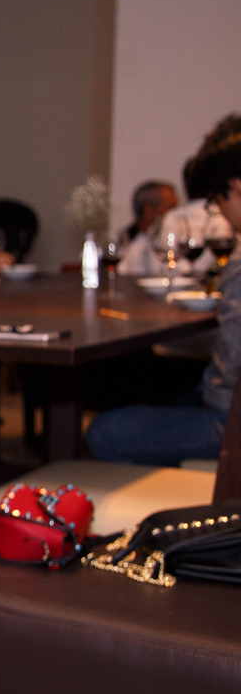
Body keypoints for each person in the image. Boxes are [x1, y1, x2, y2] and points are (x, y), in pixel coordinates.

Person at [87, 114, 241, 466]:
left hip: (230, 424)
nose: (220, 212)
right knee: (169, 399)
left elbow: (226, 386)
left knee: (104, 431)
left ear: (236, 187)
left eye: (218, 201)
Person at [118, 180, 178, 275]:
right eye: (172, 207)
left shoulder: (172, 240)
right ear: (148, 209)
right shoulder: (127, 244)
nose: (177, 212)